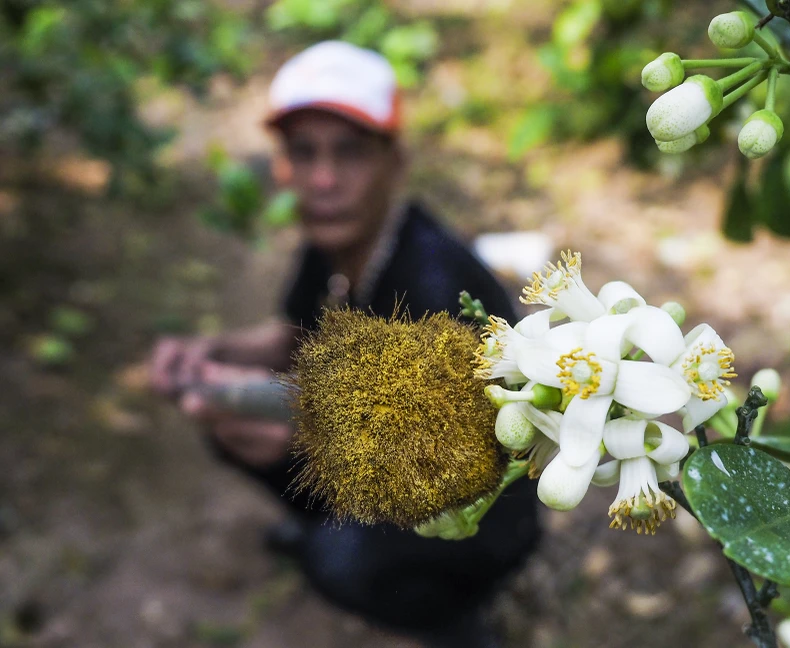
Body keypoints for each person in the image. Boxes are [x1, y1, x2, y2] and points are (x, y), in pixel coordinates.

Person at [148, 41, 540, 647]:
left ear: (395, 161)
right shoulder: (334, 245)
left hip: (477, 504)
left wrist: (299, 430)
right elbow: (292, 334)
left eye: (349, 152)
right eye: (303, 153)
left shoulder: (435, 283)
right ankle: (332, 524)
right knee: (234, 419)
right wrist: (213, 354)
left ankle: (452, 617)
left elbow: (448, 455)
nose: (324, 179)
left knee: (335, 559)